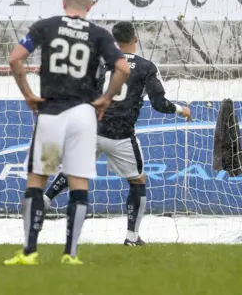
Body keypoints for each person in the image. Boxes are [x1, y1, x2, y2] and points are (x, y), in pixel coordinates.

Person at [3, 0, 130, 266]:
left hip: (52, 113)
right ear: (90, 7)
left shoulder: (46, 26)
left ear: (63, 4)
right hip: (84, 115)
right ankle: (70, 255)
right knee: (78, 183)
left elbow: (15, 59)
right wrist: (106, 98)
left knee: (38, 179)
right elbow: (123, 68)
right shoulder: (98, 34)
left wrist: (28, 95)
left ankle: (29, 252)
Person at [43, 21, 192, 246]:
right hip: (120, 135)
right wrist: (181, 110)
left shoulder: (101, 63)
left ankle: (44, 199)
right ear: (136, 39)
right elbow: (159, 104)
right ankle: (132, 237)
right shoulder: (146, 67)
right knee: (137, 181)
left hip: (93, 129)